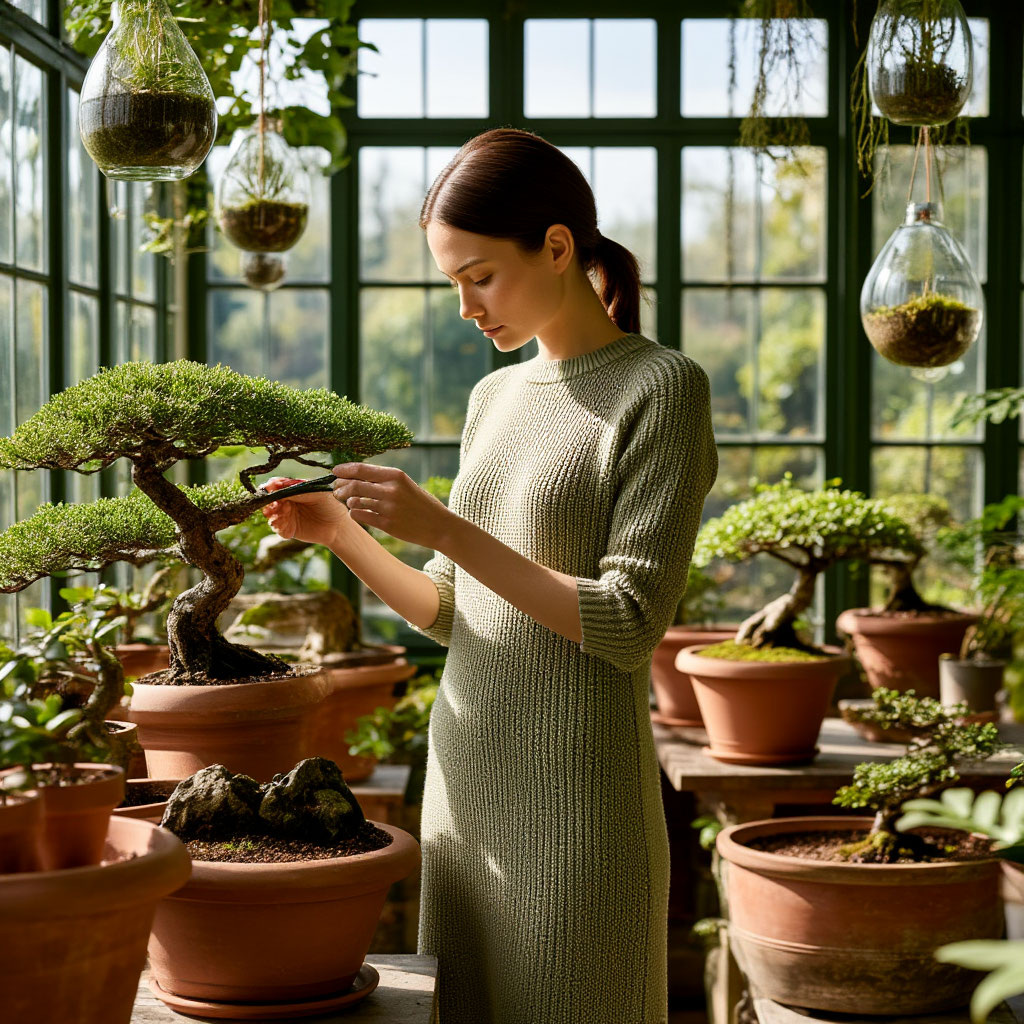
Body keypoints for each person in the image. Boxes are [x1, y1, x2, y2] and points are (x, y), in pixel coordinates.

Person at [262, 127, 718, 1024]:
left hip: (581, 811)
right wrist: (345, 534)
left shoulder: (662, 389)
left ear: (556, 247)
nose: (466, 307)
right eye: (453, 284)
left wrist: (443, 524)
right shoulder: (492, 398)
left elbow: (628, 624)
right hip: (466, 790)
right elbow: (450, 609)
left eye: (479, 276)